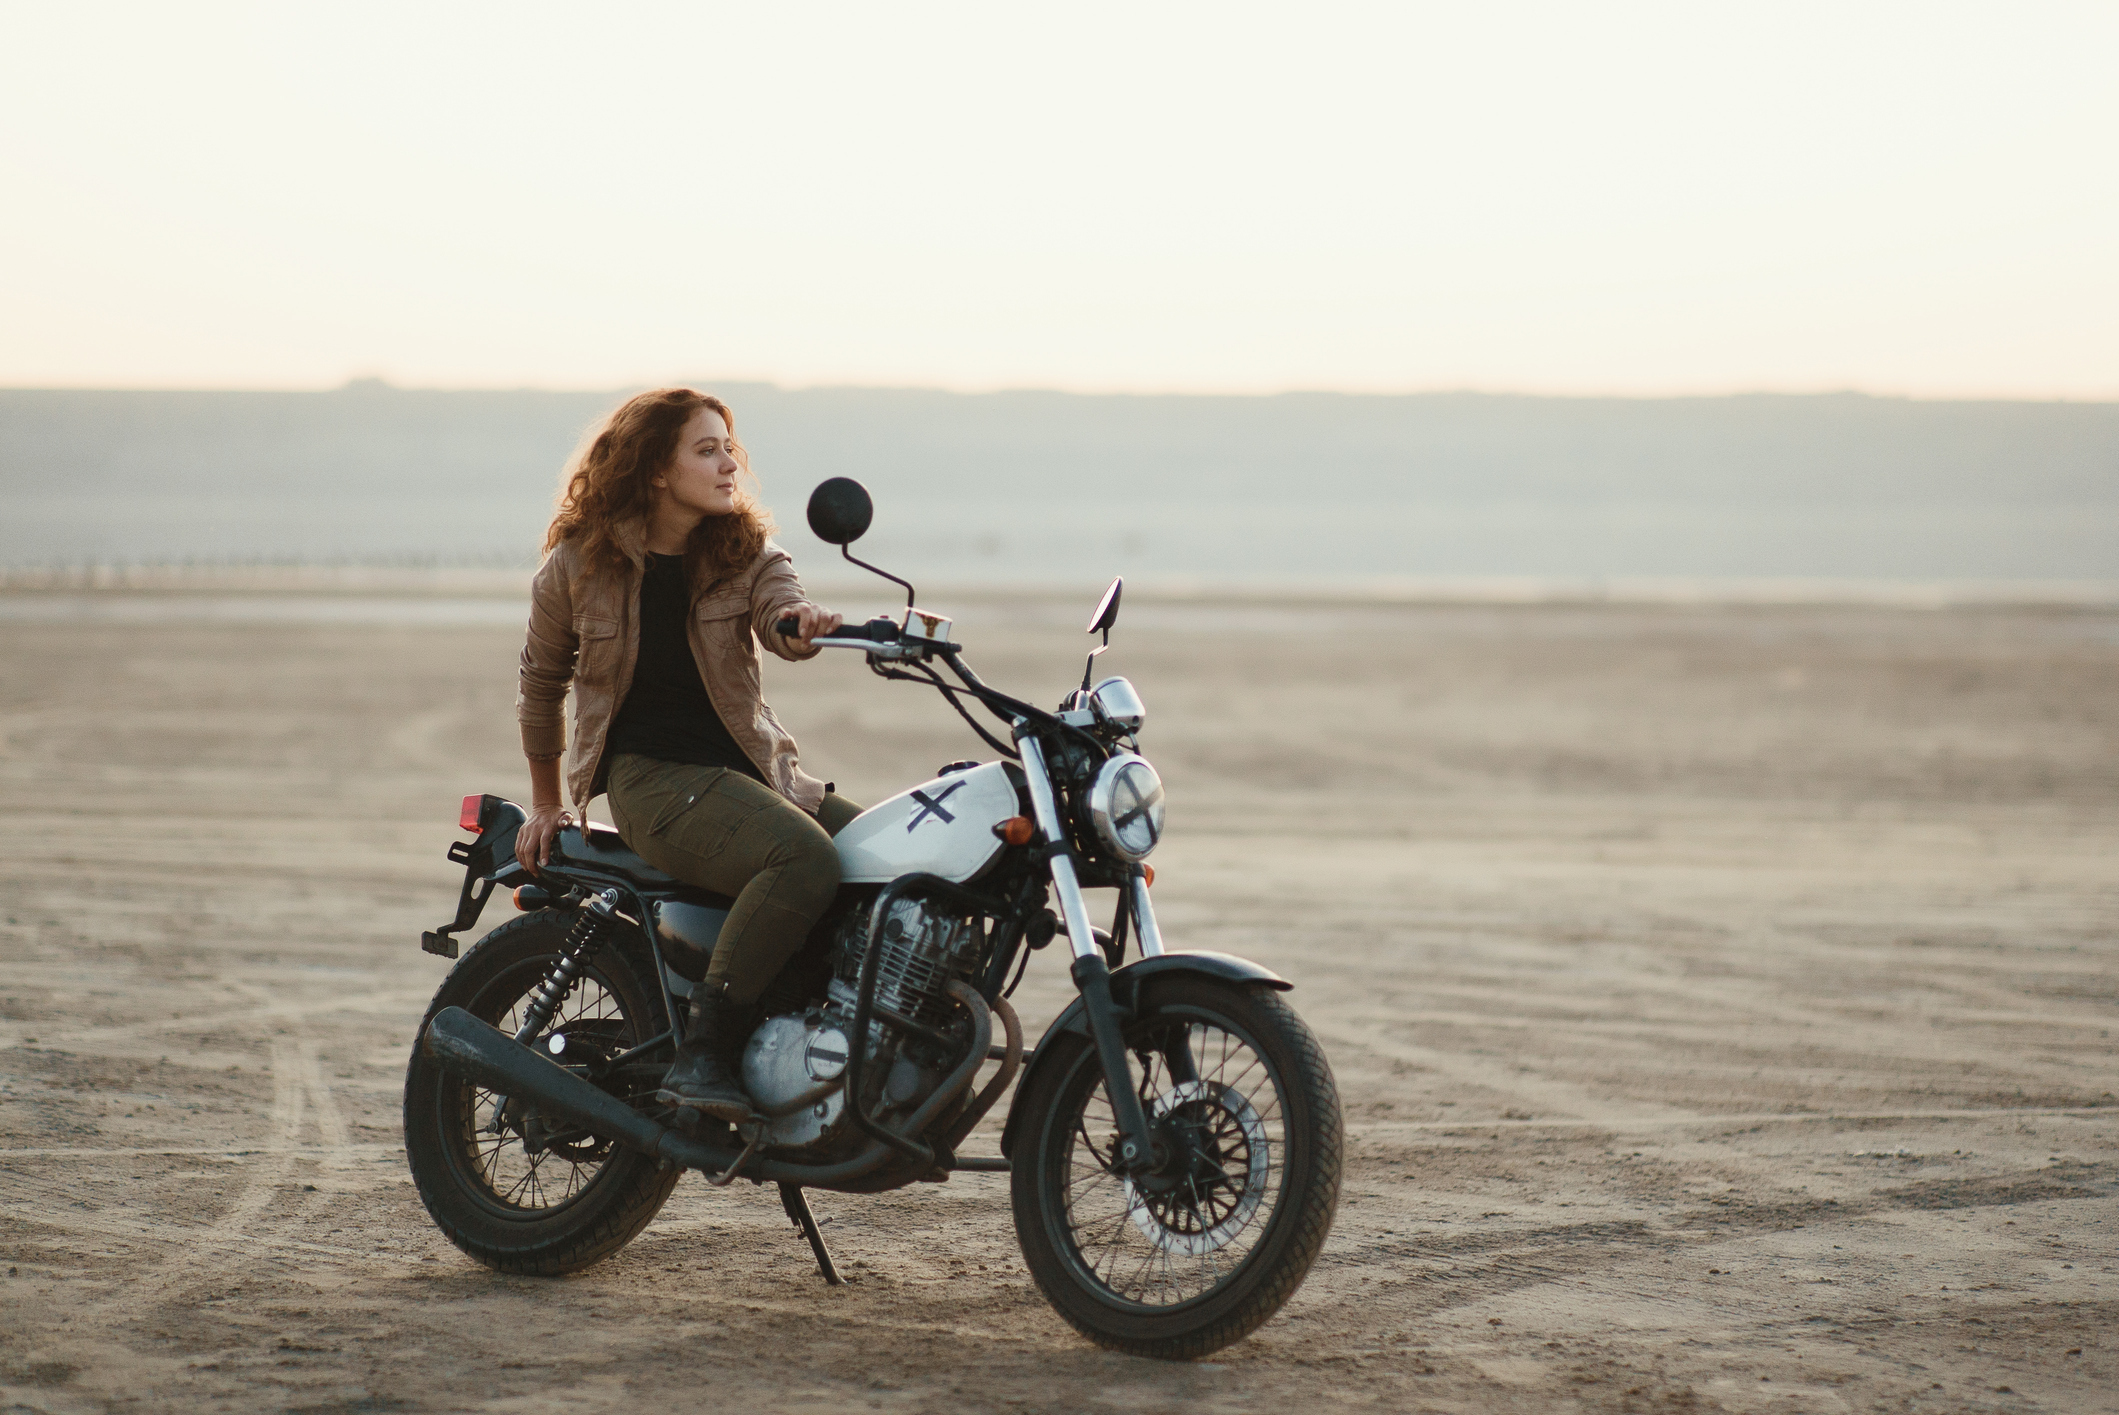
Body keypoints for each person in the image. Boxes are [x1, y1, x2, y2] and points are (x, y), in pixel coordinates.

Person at [512, 387, 860, 1122]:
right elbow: (540, 687)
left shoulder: (749, 553)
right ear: (655, 469)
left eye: (729, 447)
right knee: (806, 861)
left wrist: (804, 625)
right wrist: (545, 802)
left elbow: (782, 614)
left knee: (890, 857)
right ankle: (707, 1048)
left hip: (757, 775)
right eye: (706, 449)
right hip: (652, 781)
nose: (729, 461)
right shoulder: (578, 565)